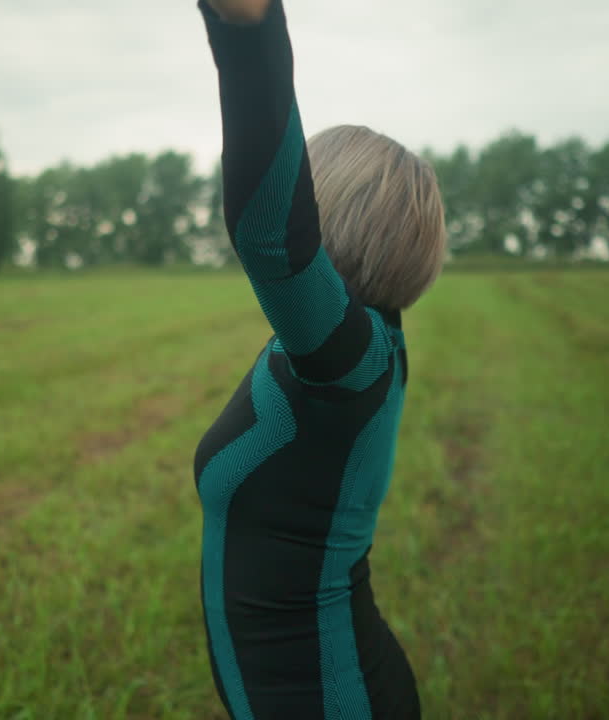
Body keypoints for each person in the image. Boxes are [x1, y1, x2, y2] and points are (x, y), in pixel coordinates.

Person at [193, 0, 448, 717]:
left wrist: (249, 29)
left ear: (325, 206)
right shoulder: (342, 356)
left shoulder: (352, 362)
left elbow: (272, 233)